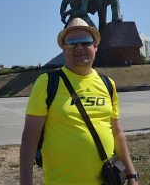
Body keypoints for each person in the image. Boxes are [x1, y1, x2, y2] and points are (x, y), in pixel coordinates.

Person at [19, 18, 138, 185]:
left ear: (95, 47)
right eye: (72, 43)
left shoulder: (107, 84)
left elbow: (117, 133)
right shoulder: (47, 82)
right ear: (63, 48)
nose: (79, 47)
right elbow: (30, 137)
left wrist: (132, 175)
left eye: (85, 42)